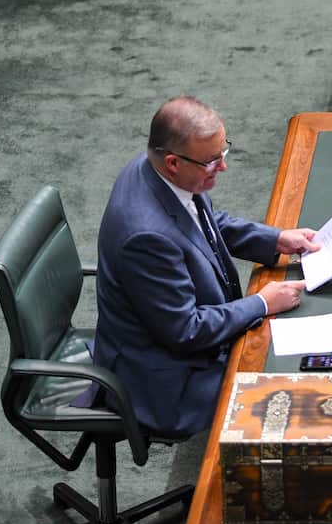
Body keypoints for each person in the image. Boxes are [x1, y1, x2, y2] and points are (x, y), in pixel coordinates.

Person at [93, 96, 320, 437]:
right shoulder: (145, 237)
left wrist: (276, 240)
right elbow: (185, 330)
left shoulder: (159, 169)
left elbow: (203, 222)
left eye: (222, 153)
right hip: (167, 380)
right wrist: (261, 303)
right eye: (213, 161)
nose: (223, 167)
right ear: (172, 162)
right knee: (286, 396)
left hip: (180, 343)